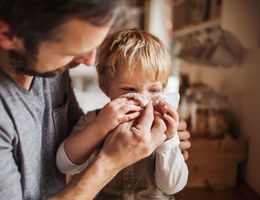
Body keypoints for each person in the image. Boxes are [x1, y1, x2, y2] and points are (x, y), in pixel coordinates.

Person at [0, 1, 191, 199]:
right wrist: (111, 159)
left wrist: (171, 141)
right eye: (70, 51)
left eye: (93, 46)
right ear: (7, 35)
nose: (89, 62)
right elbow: (66, 160)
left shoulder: (52, 70)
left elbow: (173, 184)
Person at [56, 28, 188, 199]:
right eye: (130, 89)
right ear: (106, 87)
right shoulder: (94, 120)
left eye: (154, 90)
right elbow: (65, 166)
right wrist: (99, 127)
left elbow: (172, 187)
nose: (144, 99)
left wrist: (169, 142)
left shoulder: (164, 126)